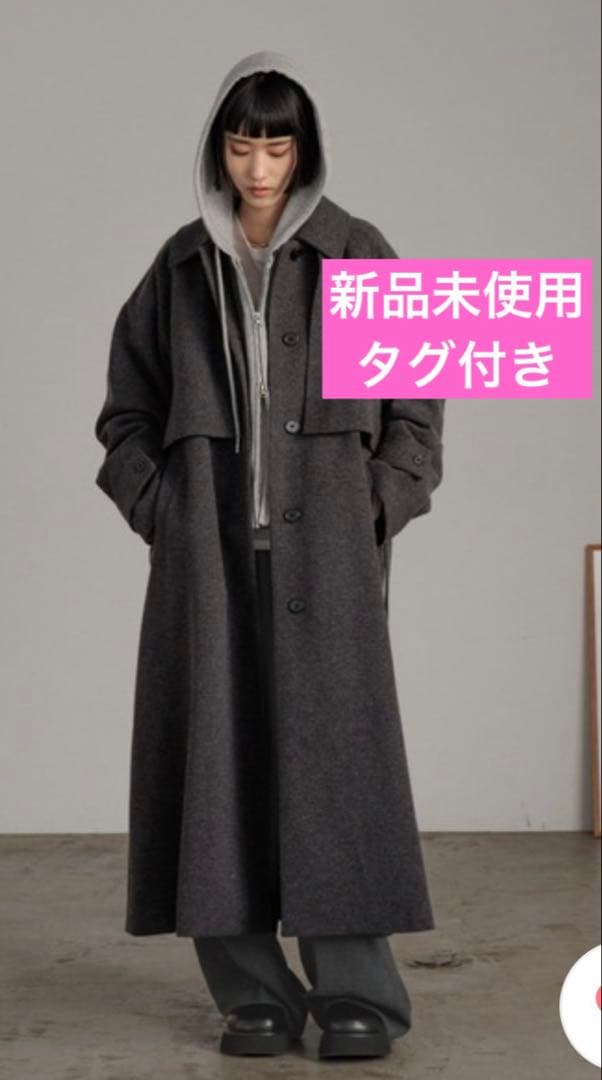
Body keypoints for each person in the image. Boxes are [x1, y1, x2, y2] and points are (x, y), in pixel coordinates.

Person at [94, 49, 445, 1061]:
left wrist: (375, 505)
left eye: (277, 146)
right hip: (208, 567)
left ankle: (358, 997)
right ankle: (250, 993)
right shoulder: (178, 269)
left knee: (338, 777)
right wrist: (160, 508)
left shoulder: (360, 255)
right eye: (242, 145)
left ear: (305, 150)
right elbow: (124, 415)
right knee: (215, 775)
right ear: (218, 147)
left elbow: (419, 415)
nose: (258, 168)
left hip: (326, 564)